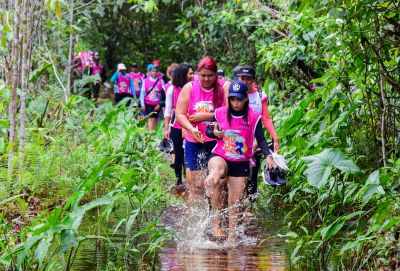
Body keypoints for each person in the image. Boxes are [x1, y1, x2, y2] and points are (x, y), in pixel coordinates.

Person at [204, 80, 277, 242]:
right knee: (218, 168)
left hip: (241, 162)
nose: (235, 103)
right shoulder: (220, 113)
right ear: (228, 99)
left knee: (235, 201)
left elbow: (262, 139)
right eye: (232, 99)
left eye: (238, 99)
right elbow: (209, 129)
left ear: (245, 99)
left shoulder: (253, 116)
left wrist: (269, 156)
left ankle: (232, 236)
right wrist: (214, 133)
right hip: (221, 155)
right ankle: (212, 180)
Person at [176, 56, 228, 205]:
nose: (206, 79)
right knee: (196, 185)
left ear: (216, 74)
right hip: (195, 141)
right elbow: (180, 114)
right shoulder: (190, 87)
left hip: (217, 142)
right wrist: (191, 128)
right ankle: (196, 221)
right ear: (198, 74)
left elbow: (232, 112)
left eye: (210, 76)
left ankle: (216, 218)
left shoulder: (224, 87)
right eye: (202, 75)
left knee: (217, 183)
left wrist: (207, 116)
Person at [235, 65, 280, 199]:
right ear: (238, 78)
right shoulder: (234, 94)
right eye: (243, 78)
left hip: (256, 139)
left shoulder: (259, 95)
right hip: (237, 140)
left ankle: (249, 207)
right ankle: (235, 204)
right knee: (237, 173)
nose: (245, 81)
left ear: (253, 79)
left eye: (248, 79)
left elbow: (265, 117)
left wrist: (275, 138)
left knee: (253, 174)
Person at [164, 62, 194, 189]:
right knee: (178, 154)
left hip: (192, 125)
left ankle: (190, 181)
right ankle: (179, 180)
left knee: (189, 154)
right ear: (183, 75)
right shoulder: (172, 89)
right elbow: (168, 110)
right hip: (177, 126)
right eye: (191, 73)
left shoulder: (194, 87)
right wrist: (166, 128)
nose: (193, 76)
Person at [140, 64, 165, 130]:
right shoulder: (145, 81)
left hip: (157, 104)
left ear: (158, 72)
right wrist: (142, 104)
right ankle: (150, 133)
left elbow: (163, 94)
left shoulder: (161, 81)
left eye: (156, 71)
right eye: (152, 71)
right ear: (149, 72)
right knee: (150, 119)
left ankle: (153, 133)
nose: (154, 72)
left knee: (155, 119)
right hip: (148, 103)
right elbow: (142, 94)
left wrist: (160, 104)